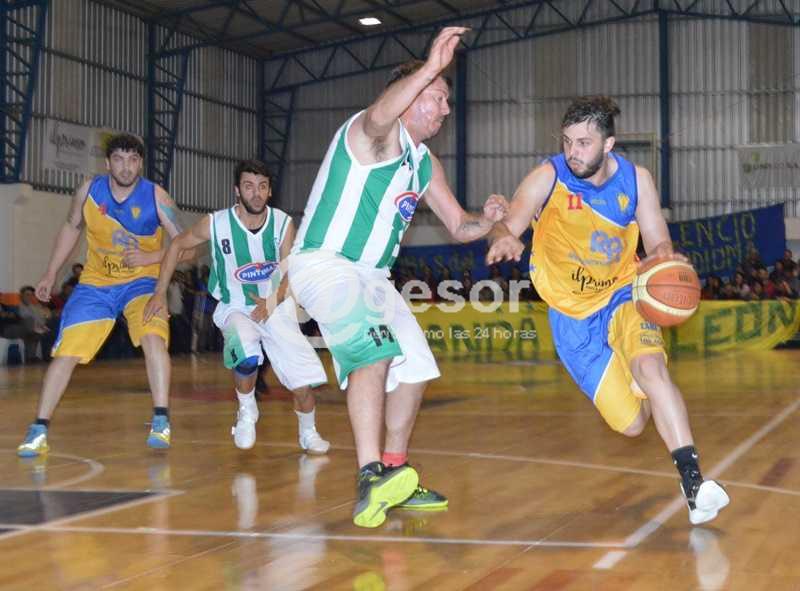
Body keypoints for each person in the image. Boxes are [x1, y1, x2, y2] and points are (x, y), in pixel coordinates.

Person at [288, 26, 509, 528]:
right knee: (375, 351)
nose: (446, 108)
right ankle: (369, 476)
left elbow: (459, 226)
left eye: (445, 99)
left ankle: (394, 471)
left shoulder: (423, 162)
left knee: (415, 368)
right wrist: (431, 66)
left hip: (373, 277)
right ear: (408, 96)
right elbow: (379, 115)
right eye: (437, 97)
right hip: (325, 263)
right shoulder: (371, 136)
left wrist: (491, 219)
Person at [487, 96, 729, 525]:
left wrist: (665, 258)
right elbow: (512, 219)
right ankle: (639, 383)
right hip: (571, 316)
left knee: (652, 368)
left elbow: (657, 240)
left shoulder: (637, 180)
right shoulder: (549, 176)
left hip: (623, 293)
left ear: (608, 144)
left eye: (583, 143)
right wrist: (502, 235)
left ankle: (695, 487)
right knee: (632, 424)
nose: (572, 152)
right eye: (567, 141)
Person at [144, 159, 330, 454]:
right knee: (245, 355)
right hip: (234, 307)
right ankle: (246, 410)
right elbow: (177, 245)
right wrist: (159, 292)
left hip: (276, 307)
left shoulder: (282, 223)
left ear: (270, 191)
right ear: (237, 190)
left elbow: (289, 271)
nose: (256, 193)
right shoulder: (216, 223)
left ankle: (308, 432)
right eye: (249, 186)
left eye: (262, 186)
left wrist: (272, 300)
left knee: (303, 385)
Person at [16, 133, 187, 457]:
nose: (126, 167)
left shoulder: (157, 197)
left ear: (140, 163)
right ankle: (39, 428)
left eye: (133, 160)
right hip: (96, 284)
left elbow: (188, 247)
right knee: (66, 352)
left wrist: (150, 257)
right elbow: (71, 227)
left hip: (143, 283)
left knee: (152, 339)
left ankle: (161, 419)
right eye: (119, 160)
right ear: (108, 163)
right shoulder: (89, 190)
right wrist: (51, 272)